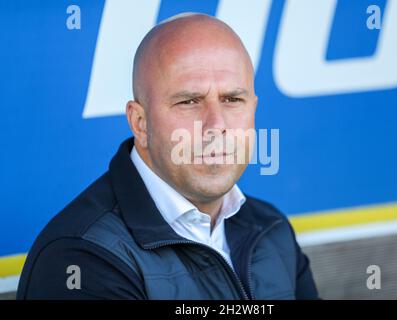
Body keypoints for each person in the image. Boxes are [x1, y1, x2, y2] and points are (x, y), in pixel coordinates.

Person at [17, 13, 318, 300]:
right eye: (189, 101)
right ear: (140, 123)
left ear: (253, 107)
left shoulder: (271, 228)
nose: (216, 126)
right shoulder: (81, 256)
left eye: (232, 99)